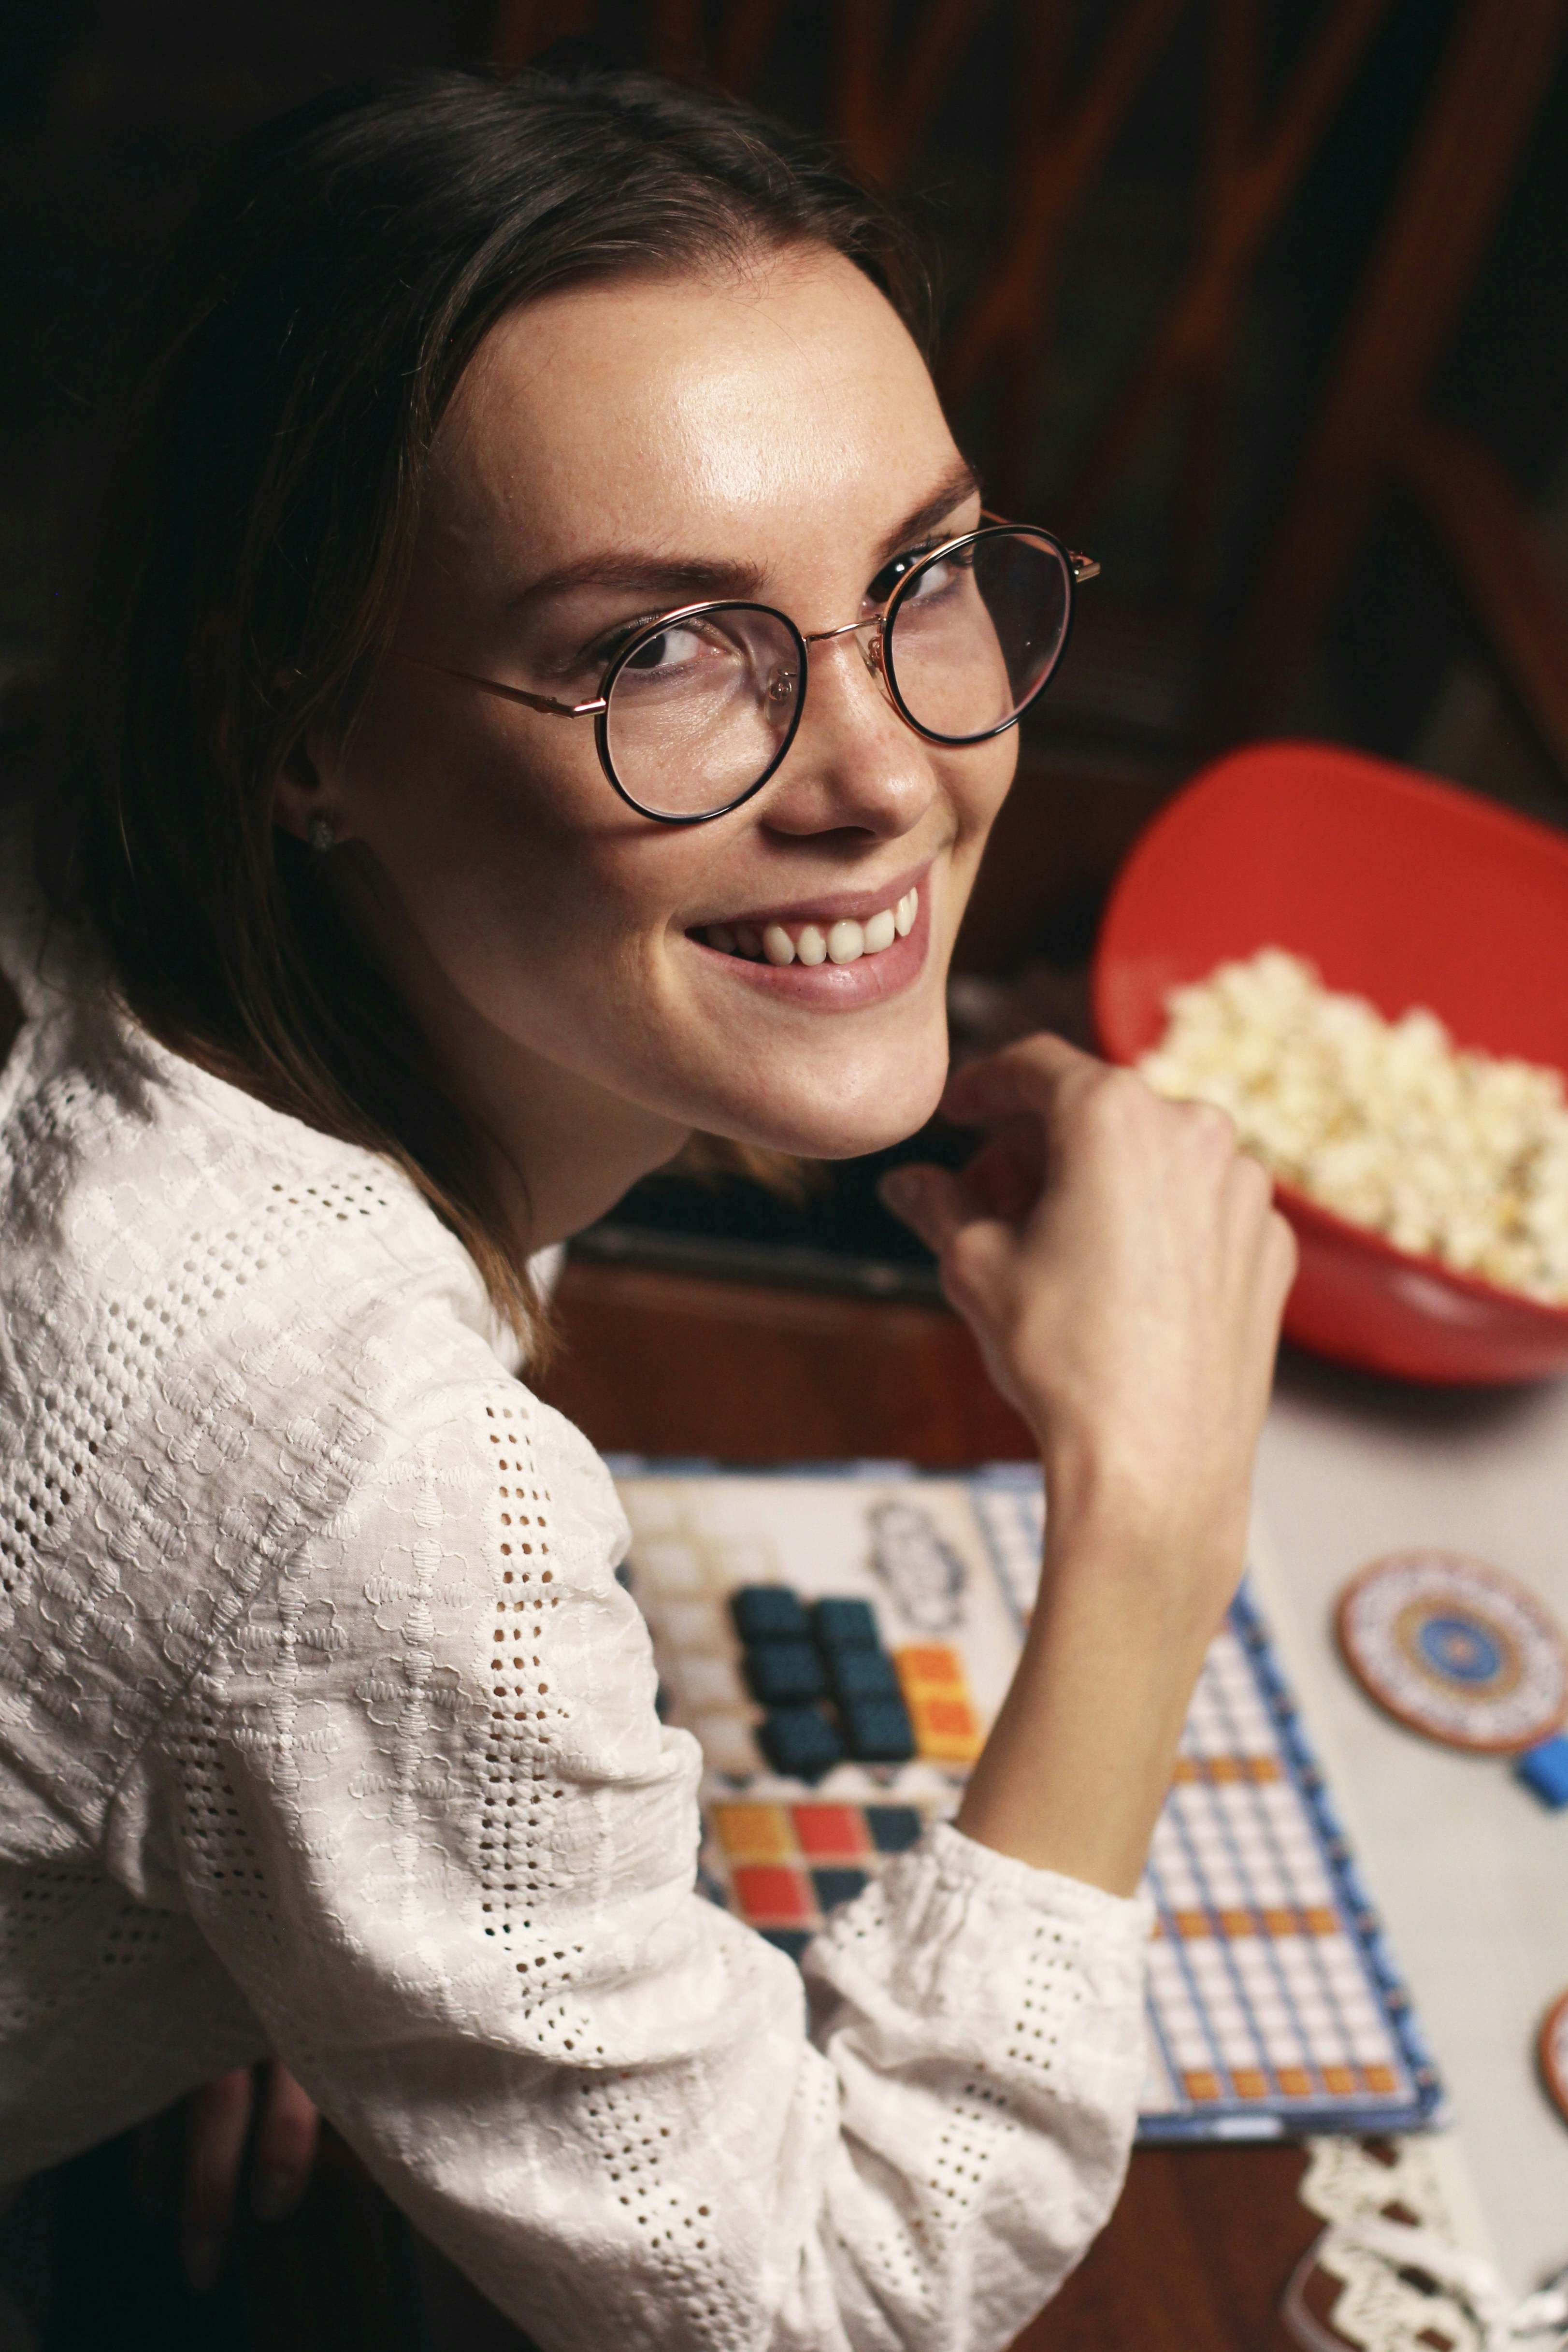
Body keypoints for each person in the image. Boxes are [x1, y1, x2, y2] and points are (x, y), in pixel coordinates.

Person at [0, 61, 1295, 2352]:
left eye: (918, 574)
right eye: (654, 649)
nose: (891, 774)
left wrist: (290, 1899)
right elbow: (818, 2300)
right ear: (291, 725)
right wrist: (1157, 1501)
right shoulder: (384, 1489)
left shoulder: (100, 833)